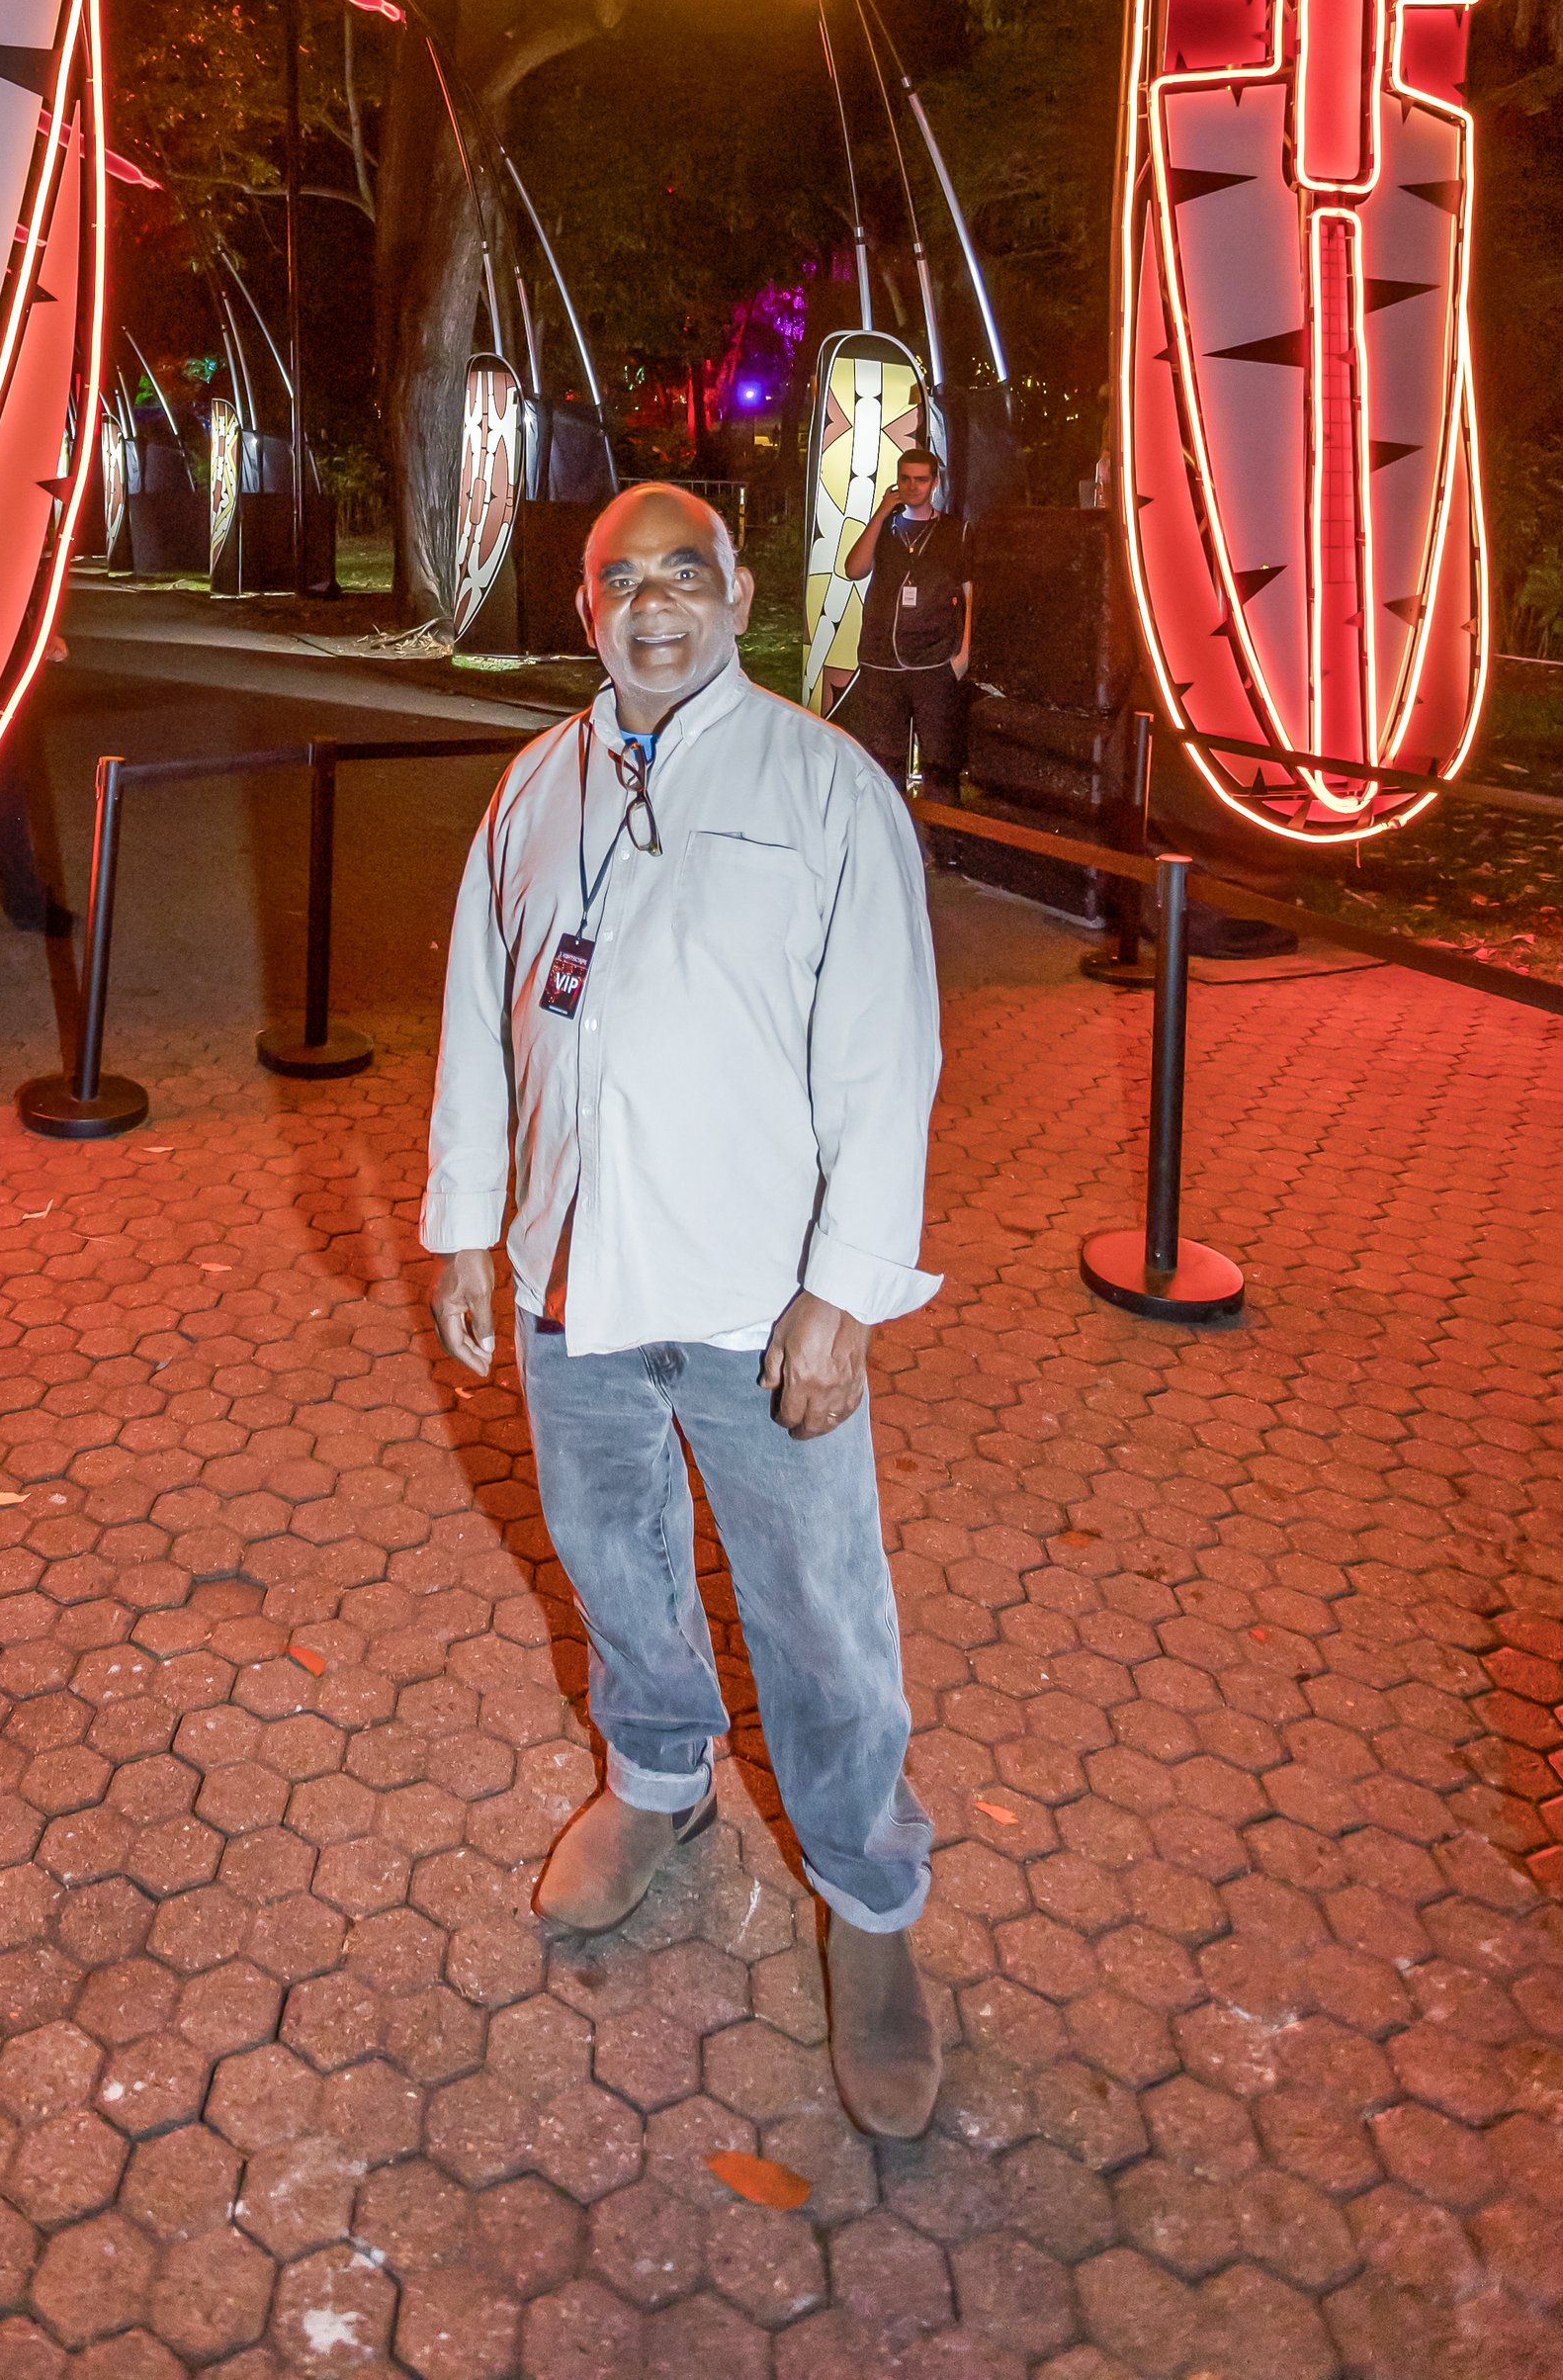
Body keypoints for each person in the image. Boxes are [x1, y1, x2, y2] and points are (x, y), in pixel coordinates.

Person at [423, 482, 945, 2140]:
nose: (654, 605)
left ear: (737, 597)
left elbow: (886, 1058)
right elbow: (480, 1025)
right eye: (621, 579)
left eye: (686, 575)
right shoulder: (534, 787)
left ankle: (872, 1908)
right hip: (575, 1271)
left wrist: (843, 1295)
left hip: (755, 1292)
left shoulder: (824, 787)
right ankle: (660, 1784)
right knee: (611, 1558)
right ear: (585, 610)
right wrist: (463, 1230)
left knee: (818, 1610)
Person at [838, 444, 972, 802]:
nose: (913, 487)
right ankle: (891, 839)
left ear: (935, 482)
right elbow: (853, 569)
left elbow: (970, 590)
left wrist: (963, 653)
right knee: (884, 761)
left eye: (921, 480)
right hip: (881, 659)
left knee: (940, 761)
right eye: (906, 479)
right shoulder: (886, 527)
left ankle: (945, 847)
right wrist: (881, 512)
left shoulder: (954, 531)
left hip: (933, 659)